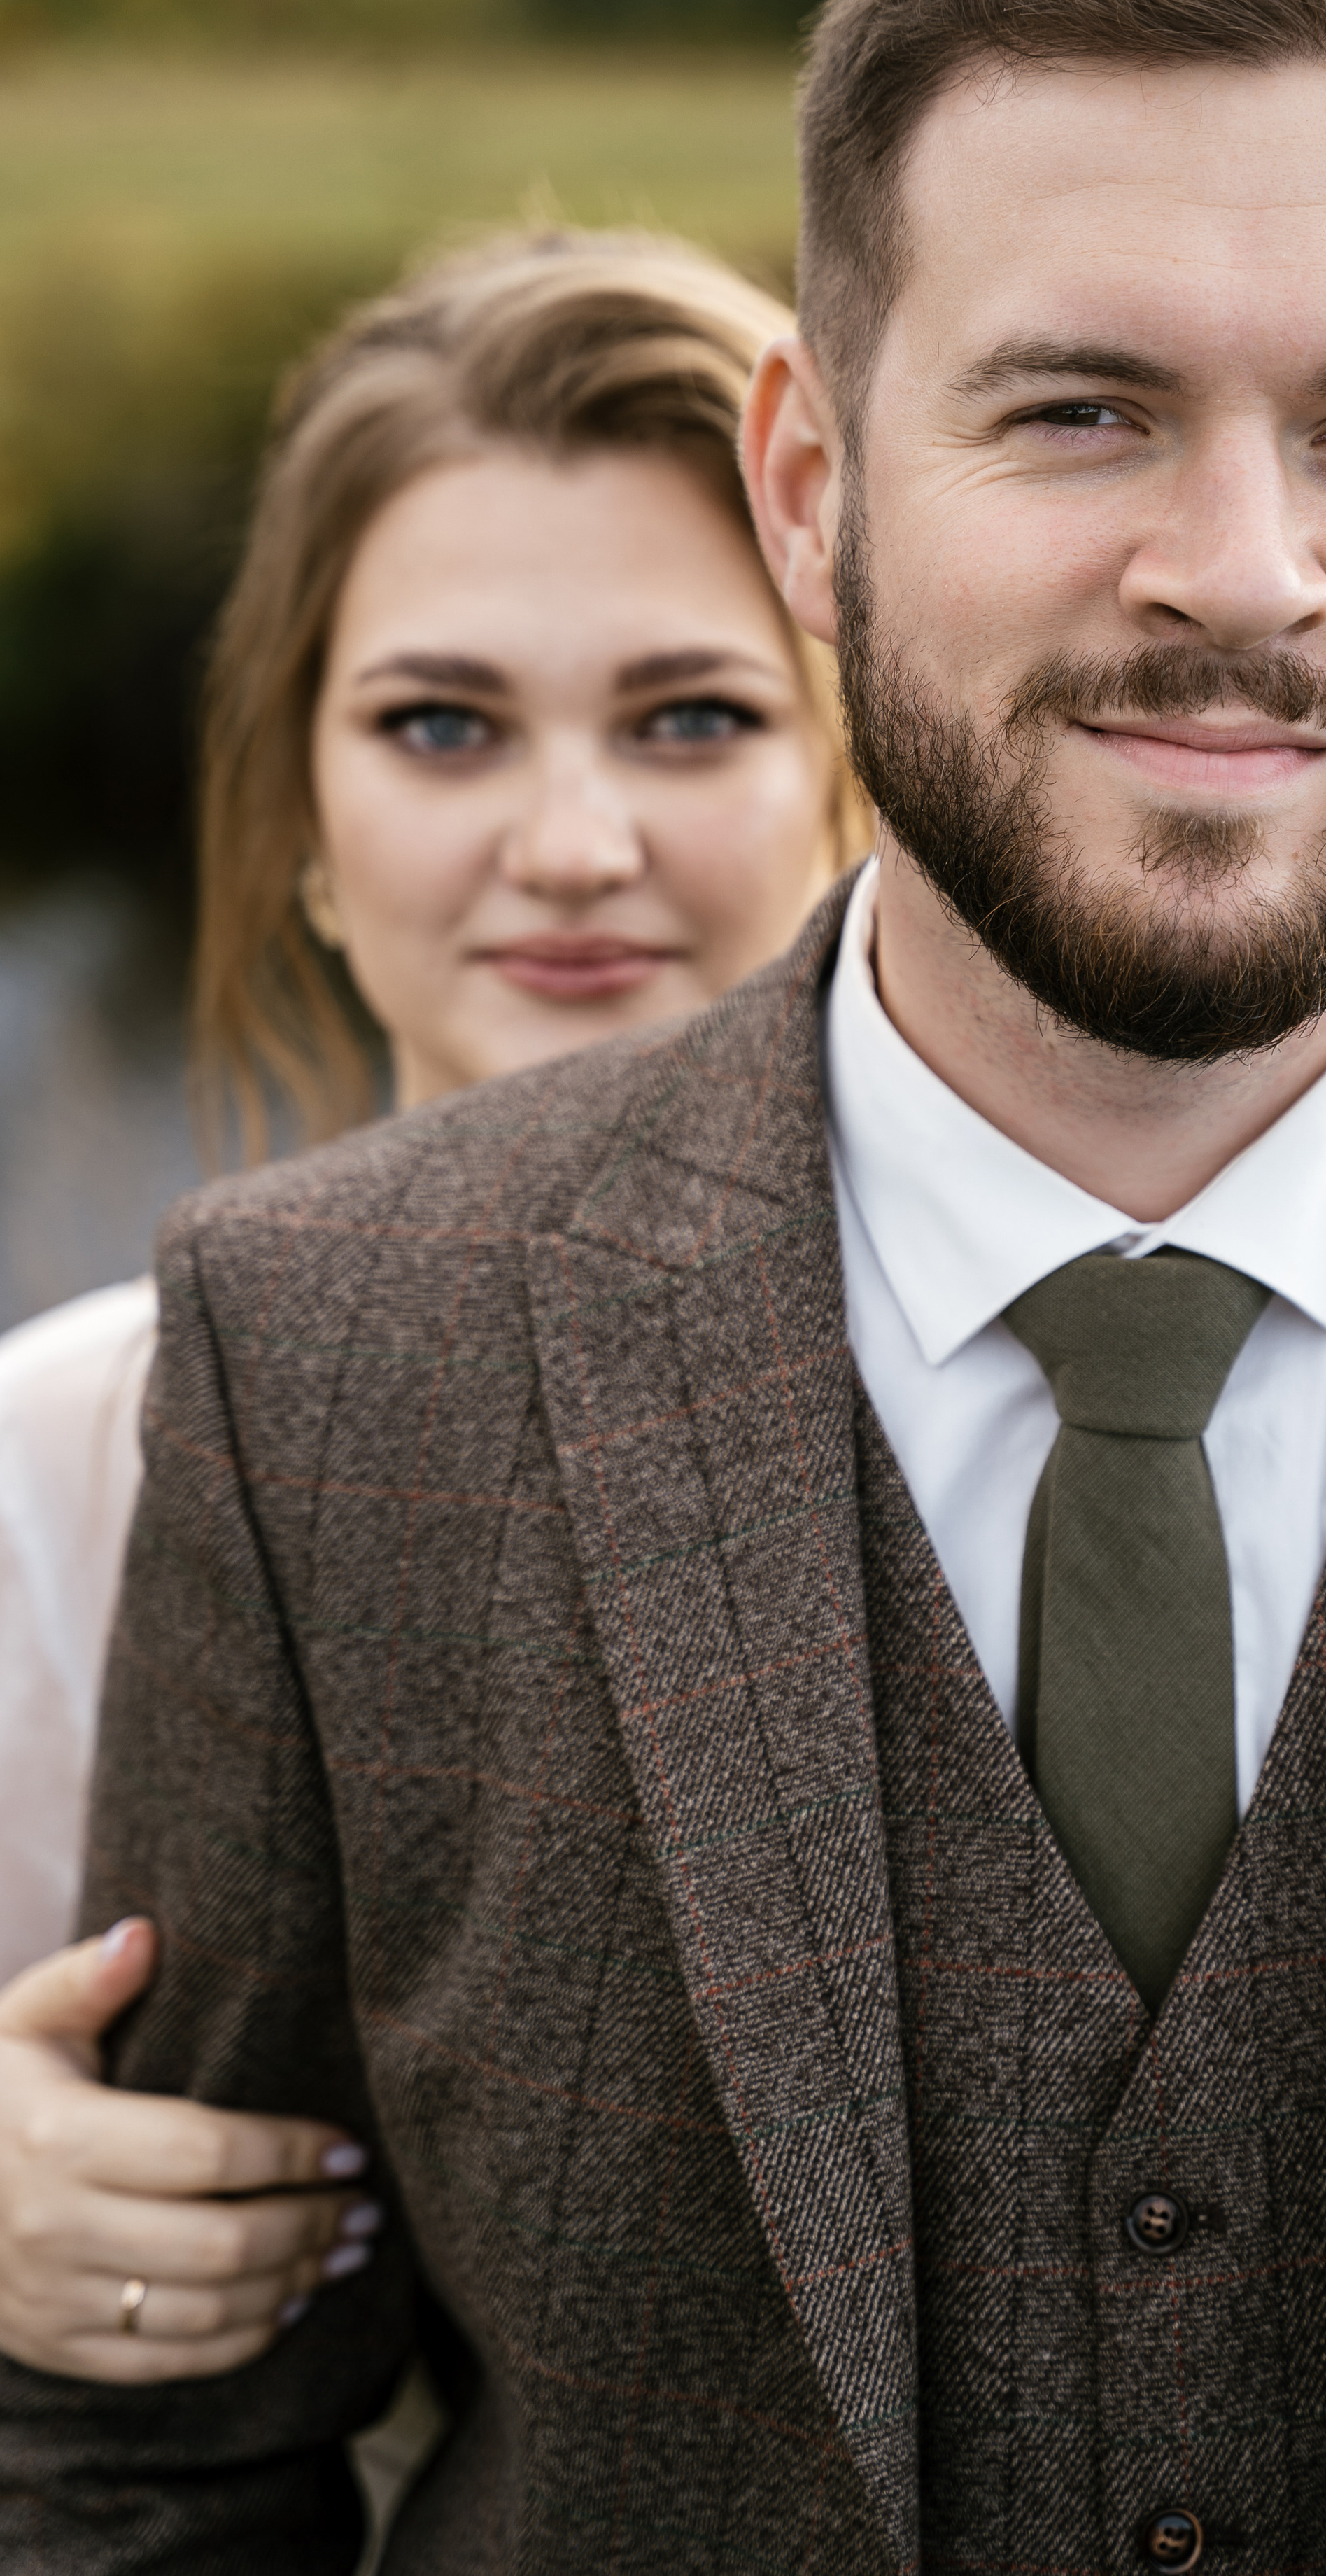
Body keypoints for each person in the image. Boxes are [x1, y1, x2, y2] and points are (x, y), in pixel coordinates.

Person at [7, 0, 1326, 2568]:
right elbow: (150, 2474)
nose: (1243, 569)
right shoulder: (317, 1370)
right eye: (1082, 410)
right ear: (815, 488)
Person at [0, 225, 863, 2388]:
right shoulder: (60, 1459)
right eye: (442, 726)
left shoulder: (1077, 1402)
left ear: (863, 786)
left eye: (691, 717)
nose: (569, 845)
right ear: (304, 813)